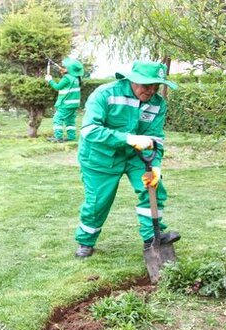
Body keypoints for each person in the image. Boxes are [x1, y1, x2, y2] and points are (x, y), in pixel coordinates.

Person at [73, 61, 181, 258]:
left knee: (152, 188)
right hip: (99, 156)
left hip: (135, 155)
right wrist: (128, 138)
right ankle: (86, 241)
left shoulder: (157, 103)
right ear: (132, 80)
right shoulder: (105, 94)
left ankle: (152, 238)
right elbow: (90, 130)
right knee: (98, 201)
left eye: (156, 86)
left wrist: (155, 166)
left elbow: (155, 138)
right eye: (146, 85)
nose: (151, 91)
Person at [45, 58, 83, 142]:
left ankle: (58, 137)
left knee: (57, 119)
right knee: (70, 121)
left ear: (69, 69)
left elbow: (57, 87)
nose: (63, 67)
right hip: (74, 104)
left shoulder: (67, 78)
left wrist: (50, 80)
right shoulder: (77, 78)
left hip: (65, 104)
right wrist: (63, 71)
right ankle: (71, 137)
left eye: (66, 67)